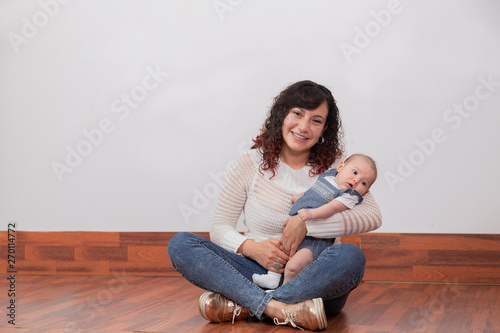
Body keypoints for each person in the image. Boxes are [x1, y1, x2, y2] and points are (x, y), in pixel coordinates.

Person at [167, 80, 382, 331]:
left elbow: (372, 215)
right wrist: (252, 248)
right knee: (181, 244)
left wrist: (305, 225)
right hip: (257, 272)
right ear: (282, 115)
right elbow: (219, 227)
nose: (303, 127)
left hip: (315, 276)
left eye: (316, 120)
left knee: (351, 257)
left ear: (324, 128)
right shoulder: (249, 163)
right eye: (297, 114)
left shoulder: (338, 166)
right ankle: (280, 309)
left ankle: (247, 304)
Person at [252, 154, 377, 289]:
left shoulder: (349, 195)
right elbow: (314, 190)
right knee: (280, 251)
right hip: (292, 230)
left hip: (315, 241)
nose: (356, 180)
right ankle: (272, 278)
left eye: (364, 183)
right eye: (355, 172)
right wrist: (301, 196)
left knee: (294, 267)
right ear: (340, 166)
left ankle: (284, 292)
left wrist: (310, 214)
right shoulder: (329, 176)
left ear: (366, 191)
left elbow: (332, 208)